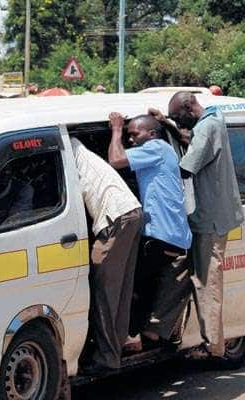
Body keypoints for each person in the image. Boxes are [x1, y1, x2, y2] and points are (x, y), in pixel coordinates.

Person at [162, 91, 244, 358]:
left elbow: (186, 167)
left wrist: (154, 161)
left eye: (178, 116)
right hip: (213, 215)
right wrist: (167, 124)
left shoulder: (207, 127)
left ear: (188, 106)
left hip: (210, 219)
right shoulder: (213, 118)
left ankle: (213, 347)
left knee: (207, 282)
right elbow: (192, 140)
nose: (179, 121)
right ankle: (162, 330)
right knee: (187, 276)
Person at [107, 113, 193, 350]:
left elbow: (116, 159)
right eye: (128, 134)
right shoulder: (161, 150)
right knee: (151, 288)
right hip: (170, 234)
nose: (131, 139)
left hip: (161, 235)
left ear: (152, 134)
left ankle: (132, 335)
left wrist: (116, 130)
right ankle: (148, 333)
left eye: (134, 134)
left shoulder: (156, 148)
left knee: (134, 287)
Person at [70, 137, 143, 371]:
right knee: (119, 290)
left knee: (103, 291)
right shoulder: (82, 154)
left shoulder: (67, 152)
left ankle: (106, 358)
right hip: (129, 213)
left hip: (115, 218)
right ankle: (117, 347)